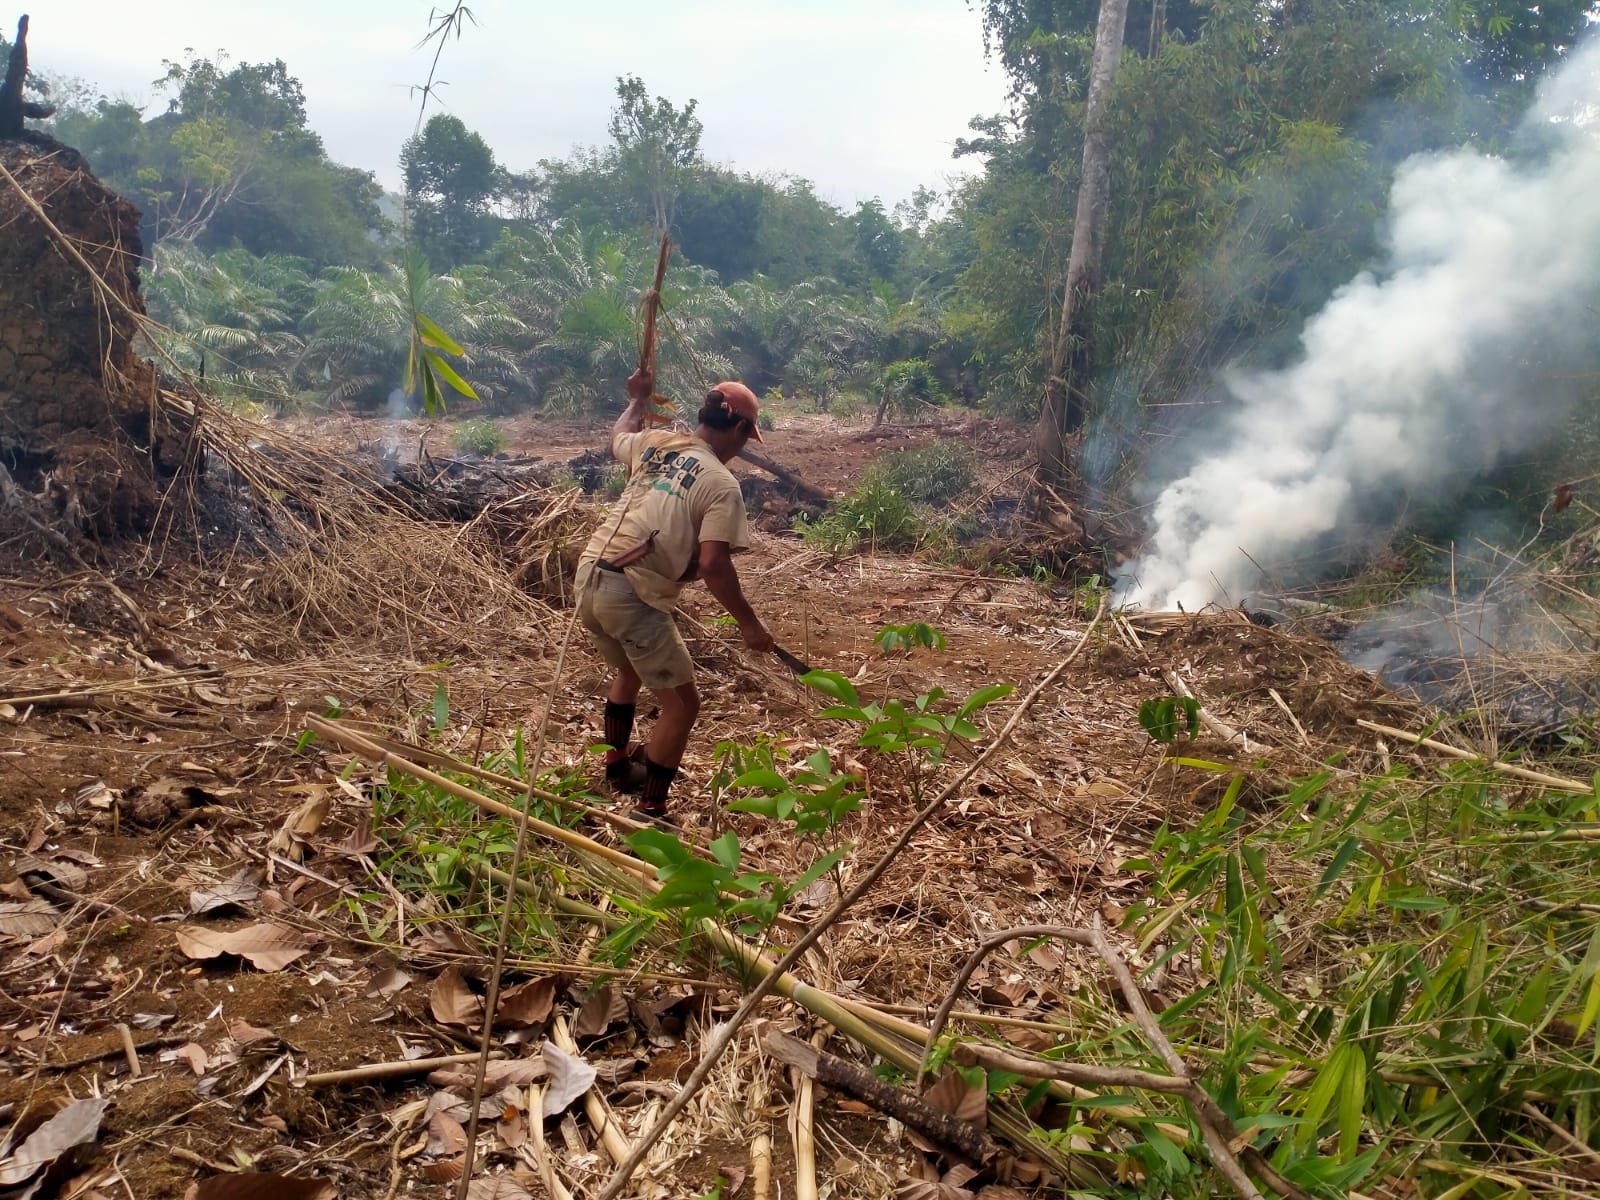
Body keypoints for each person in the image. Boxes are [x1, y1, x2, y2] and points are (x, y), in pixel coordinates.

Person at [575, 367, 775, 823]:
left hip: (588, 576)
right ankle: (651, 810)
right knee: (683, 705)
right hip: (630, 591)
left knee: (629, 669)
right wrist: (750, 625)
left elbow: (617, 437)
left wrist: (636, 400)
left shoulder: (656, 441)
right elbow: (714, 564)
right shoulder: (720, 484)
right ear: (740, 430)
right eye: (747, 438)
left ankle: (617, 768)